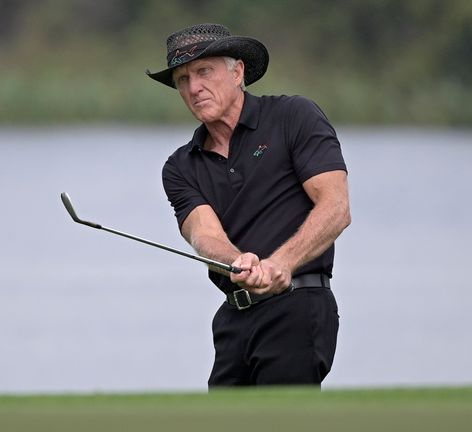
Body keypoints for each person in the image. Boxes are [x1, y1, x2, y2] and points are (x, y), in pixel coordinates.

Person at [145, 23, 351, 387]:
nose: (193, 88)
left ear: (238, 72)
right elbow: (203, 233)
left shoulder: (293, 117)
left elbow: (336, 207)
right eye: (182, 79)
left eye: (203, 72)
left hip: (297, 304)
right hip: (233, 320)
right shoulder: (180, 166)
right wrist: (237, 261)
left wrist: (280, 264)